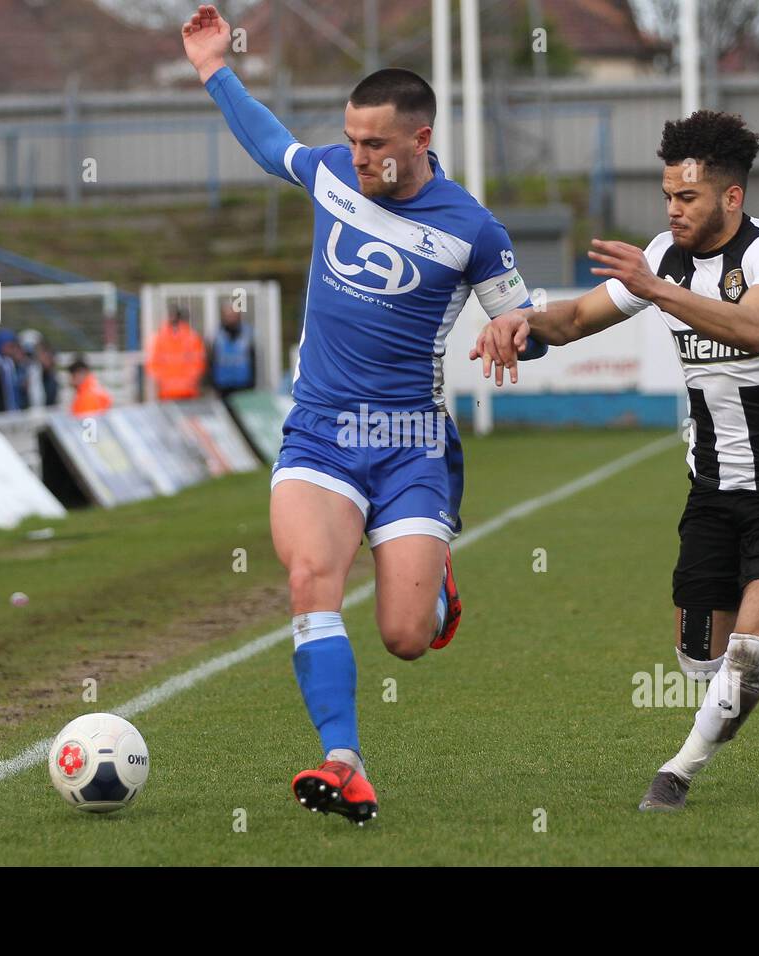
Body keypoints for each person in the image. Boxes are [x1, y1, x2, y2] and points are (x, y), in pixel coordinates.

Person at [183, 4, 533, 822]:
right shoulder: (335, 175)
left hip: (412, 445)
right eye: (351, 138)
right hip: (322, 433)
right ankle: (344, 760)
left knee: (407, 637)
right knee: (311, 578)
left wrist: (520, 328)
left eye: (375, 143)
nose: (357, 155)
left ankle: (433, 577)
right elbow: (273, 144)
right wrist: (214, 69)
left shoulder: (472, 229)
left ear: (420, 139)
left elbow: (522, 320)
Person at [472, 110, 759, 812]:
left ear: (731, 197)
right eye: (667, 199)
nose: (674, 211)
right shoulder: (665, 256)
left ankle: (675, 775)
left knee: (742, 663)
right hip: (711, 488)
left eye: (688, 198)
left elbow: (756, 326)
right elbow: (578, 319)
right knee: (700, 663)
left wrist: (654, 289)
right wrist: (520, 321)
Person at [145, 306, 206, 400]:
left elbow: (198, 363)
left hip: (186, 391)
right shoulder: (159, 338)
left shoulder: (191, 337)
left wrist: (189, 380)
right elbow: (152, 363)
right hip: (169, 391)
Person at [210, 301, 256, 397]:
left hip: (243, 384)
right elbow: (212, 360)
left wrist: (252, 383)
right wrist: (213, 384)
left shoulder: (247, 334)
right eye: (228, 315)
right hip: (223, 385)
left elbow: (252, 359)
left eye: (233, 315)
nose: (231, 318)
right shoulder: (216, 335)